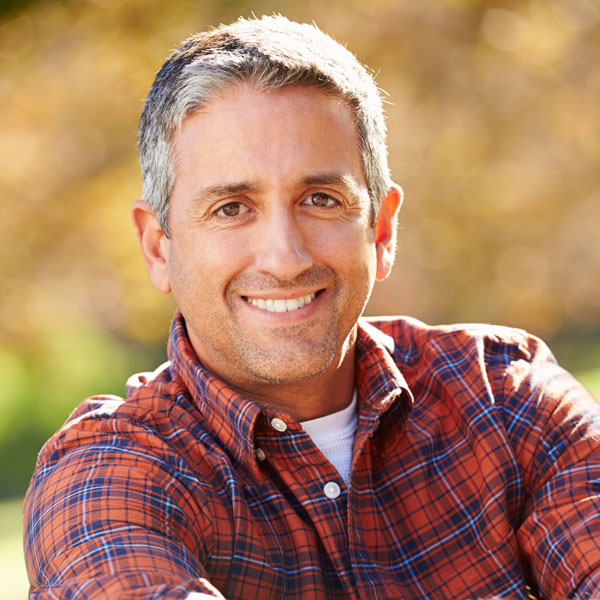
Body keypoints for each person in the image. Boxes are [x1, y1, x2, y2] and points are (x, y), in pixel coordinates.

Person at [23, 14, 600, 600]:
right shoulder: (108, 477)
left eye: (321, 200)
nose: (285, 258)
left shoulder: (508, 401)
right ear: (158, 247)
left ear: (380, 230)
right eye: (231, 208)